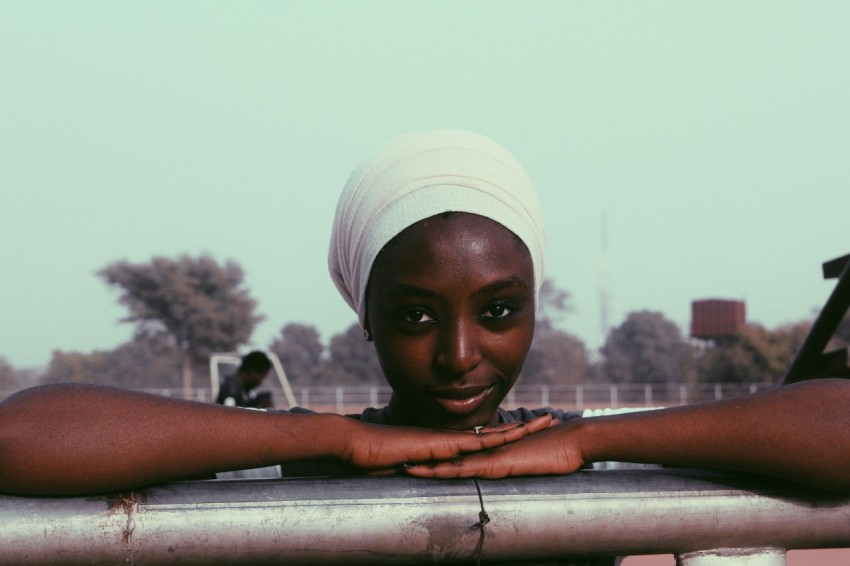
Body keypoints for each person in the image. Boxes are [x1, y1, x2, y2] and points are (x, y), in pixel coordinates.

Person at [2, 129, 850, 502]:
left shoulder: (569, 456)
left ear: (534, 306)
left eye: (499, 310)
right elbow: (20, 440)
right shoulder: (316, 467)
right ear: (361, 312)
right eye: (413, 316)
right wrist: (326, 437)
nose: (459, 355)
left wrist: (594, 437)